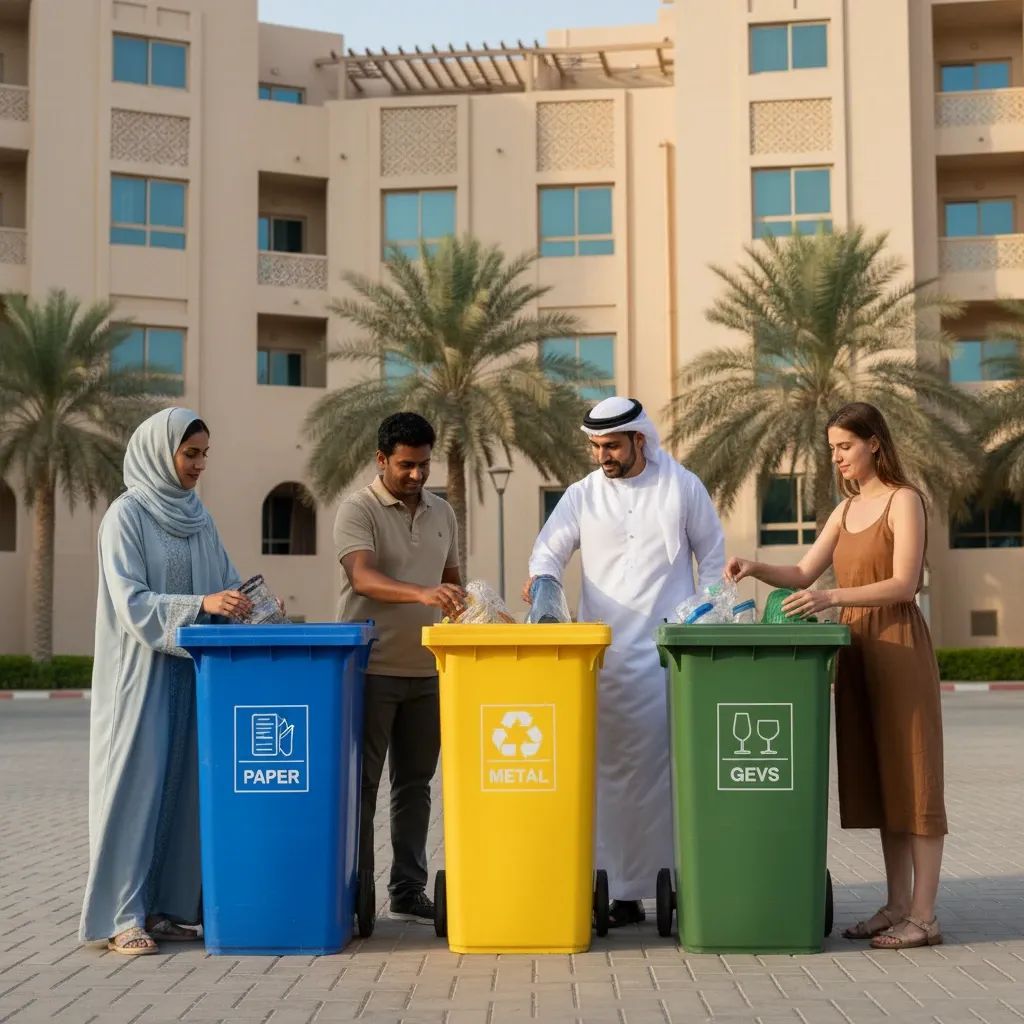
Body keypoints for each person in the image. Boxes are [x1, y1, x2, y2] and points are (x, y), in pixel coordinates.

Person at [726, 401, 946, 950]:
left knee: (914, 779)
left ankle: (924, 916)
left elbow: (904, 583)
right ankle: (896, 905)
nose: (837, 458)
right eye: (831, 449)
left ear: (875, 442)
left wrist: (829, 597)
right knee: (879, 780)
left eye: (845, 446)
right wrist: (754, 567)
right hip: (855, 653)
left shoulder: (904, 501)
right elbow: (803, 571)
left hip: (897, 646)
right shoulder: (843, 512)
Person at [523, 396, 725, 926]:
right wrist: (544, 586)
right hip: (606, 663)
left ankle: (684, 885)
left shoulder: (682, 486)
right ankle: (620, 893)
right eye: (595, 446)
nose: (602, 456)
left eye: (611, 445)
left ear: (640, 439)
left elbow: (714, 558)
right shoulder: (582, 496)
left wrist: (698, 624)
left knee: (669, 774)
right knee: (610, 777)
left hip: (668, 660)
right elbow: (548, 551)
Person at [80, 408, 252, 955]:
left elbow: (224, 581)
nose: (200, 465)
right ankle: (121, 915)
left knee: (182, 789)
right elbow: (130, 601)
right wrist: (200, 604)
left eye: (204, 454)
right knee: (135, 788)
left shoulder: (199, 518)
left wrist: (244, 606)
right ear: (161, 452)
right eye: (190, 453)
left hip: (193, 673)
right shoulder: (125, 517)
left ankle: (166, 908)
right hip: (141, 677)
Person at [334, 412, 464, 923]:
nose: (416, 475)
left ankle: (407, 889)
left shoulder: (442, 514)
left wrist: (472, 609)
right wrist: (421, 592)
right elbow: (363, 578)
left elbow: (453, 582)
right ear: (381, 459)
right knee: (362, 786)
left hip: (429, 673)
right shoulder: (357, 508)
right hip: (369, 671)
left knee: (416, 785)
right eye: (406, 465)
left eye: (424, 464)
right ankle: (356, 889)